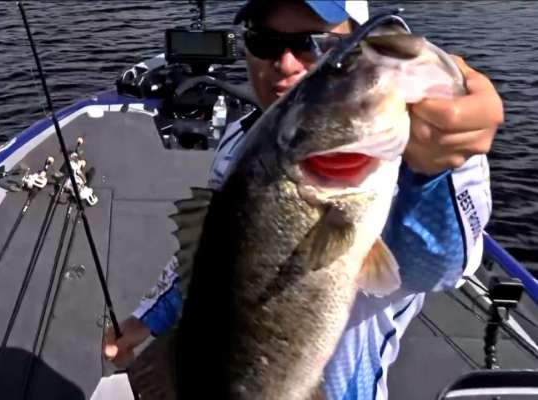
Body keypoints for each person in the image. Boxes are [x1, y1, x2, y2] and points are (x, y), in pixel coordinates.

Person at [103, 0, 503, 398]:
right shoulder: (241, 139)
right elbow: (216, 258)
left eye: (313, 43)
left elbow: (432, 268)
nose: (285, 62)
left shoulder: (407, 166)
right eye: (264, 41)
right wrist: (146, 319)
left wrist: (436, 170)